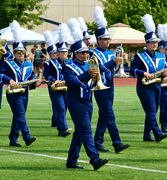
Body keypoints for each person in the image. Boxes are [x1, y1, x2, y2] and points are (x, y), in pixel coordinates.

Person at [63, 18, 109, 170]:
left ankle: (71, 160)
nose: (86, 55)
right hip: (76, 101)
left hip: (88, 100)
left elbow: (101, 69)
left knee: (80, 131)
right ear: (75, 54)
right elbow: (71, 83)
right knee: (87, 130)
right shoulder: (68, 66)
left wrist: (114, 62)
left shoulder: (89, 63)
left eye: (87, 52)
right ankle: (94, 159)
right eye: (82, 53)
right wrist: (87, 74)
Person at [92, 6, 130, 153]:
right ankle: (117, 142)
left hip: (110, 84)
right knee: (109, 114)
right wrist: (113, 62)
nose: (108, 41)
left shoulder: (111, 53)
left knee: (103, 115)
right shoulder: (92, 53)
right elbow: (97, 69)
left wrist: (122, 61)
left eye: (108, 38)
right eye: (105, 39)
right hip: (99, 86)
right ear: (99, 40)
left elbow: (114, 69)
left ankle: (98, 141)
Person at [0, 20, 41, 147]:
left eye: (23, 52)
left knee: (18, 115)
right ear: (14, 52)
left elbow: (31, 78)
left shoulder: (29, 64)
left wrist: (35, 83)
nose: (21, 54)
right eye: (18, 52)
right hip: (13, 92)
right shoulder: (9, 63)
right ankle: (26, 136)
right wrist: (9, 80)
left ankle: (13, 138)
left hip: (24, 92)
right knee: (20, 114)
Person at [130, 14, 167, 142]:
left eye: (156, 42)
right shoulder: (139, 56)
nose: (154, 44)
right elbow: (132, 70)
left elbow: (163, 70)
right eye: (152, 42)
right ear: (146, 43)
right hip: (144, 87)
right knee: (151, 110)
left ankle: (147, 135)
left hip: (157, 85)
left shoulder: (161, 56)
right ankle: (157, 133)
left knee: (153, 110)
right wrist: (143, 73)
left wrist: (164, 75)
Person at [43, 30, 58, 127]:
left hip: (61, 84)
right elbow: (46, 75)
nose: (56, 54)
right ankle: (56, 121)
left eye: (57, 53)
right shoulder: (47, 63)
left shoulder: (60, 62)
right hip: (52, 84)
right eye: (54, 53)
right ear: (51, 54)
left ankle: (56, 120)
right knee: (55, 103)